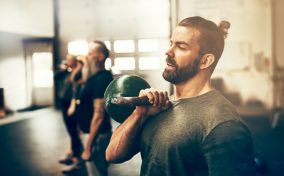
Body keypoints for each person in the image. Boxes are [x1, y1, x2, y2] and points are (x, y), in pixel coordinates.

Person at [106, 16, 256, 176]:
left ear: (205, 61)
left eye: (181, 47)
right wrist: (140, 113)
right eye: (171, 43)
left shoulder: (222, 124)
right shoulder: (161, 105)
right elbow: (112, 154)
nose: (168, 51)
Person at [74, 41, 113, 175]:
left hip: (97, 136)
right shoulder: (93, 78)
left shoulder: (103, 79)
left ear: (100, 57)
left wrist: (88, 147)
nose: (86, 57)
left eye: (90, 54)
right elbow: (77, 79)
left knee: (97, 173)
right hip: (89, 133)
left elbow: (99, 115)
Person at [56, 54, 83, 168]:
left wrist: (73, 104)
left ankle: (77, 156)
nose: (66, 61)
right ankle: (73, 152)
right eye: (66, 59)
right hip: (64, 102)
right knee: (70, 129)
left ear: (74, 61)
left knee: (74, 130)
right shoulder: (66, 72)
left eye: (68, 60)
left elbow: (76, 89)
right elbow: (55, 77)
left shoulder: (79, 72)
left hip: (73, 104)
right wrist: (64, 68)